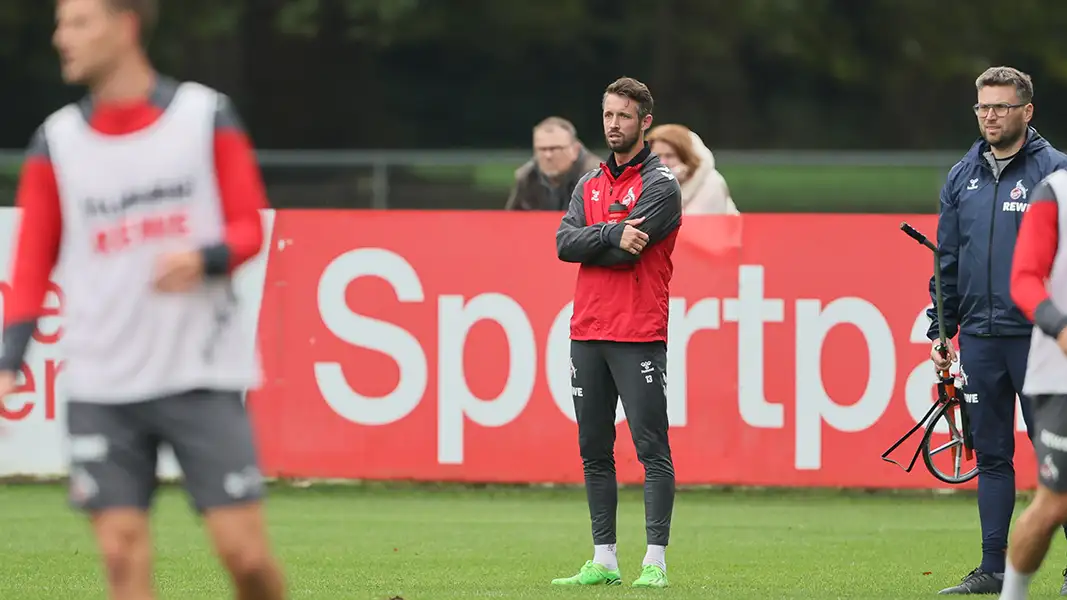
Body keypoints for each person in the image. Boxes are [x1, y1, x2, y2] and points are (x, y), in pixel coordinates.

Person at [0, 0, 287, 598]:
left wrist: (202, 258)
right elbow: (31, 264)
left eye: (79, 22)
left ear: (125, 26)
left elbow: (247, 228)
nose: (61, 37)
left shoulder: (205, 116)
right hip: (103, 383)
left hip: (199, 372)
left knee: (246, 555)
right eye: (60, 23)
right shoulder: (56, 142)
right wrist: (9, 361)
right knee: (121, 553)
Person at [926, 65, 1067, 596]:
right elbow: (947, 262)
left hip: (1041, 340)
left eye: (1002, 106)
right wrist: (941, 332)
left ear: (1027, 112)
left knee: (1060, 458)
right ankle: (992, 568)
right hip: (980, 339)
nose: (990, 115)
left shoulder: (1057, 174)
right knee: (990, 454)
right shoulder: (963, 174)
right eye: (983, 106)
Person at [551, 76, 682, 589]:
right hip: (588, 330)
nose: (613, 124)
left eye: (624, 116)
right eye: (608, 115)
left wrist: (597, 241)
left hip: (638, 331)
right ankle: (603, 558)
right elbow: (565, 243)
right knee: (594, 448)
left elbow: (634, 253)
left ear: (645, 122)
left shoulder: (660, 183)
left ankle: (656, 560)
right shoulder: (588, 184)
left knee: (652, 447)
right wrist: (607, 232)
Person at [1001, 170, 1067, 599]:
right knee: (1056, 503)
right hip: (1061, 379)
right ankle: (1014, 594)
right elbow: (1024, 277)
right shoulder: (1057, 192)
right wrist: (1060, 328)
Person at [504, 116, 601, 211]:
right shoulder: (527, 177)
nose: (548, 155)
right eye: (541, 149)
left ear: (575, 150)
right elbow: (511, 220)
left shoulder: (597, 177)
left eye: (555, 149)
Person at [646, 124, 738, 215]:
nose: (663, 162)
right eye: (657, 156)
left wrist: (672, 183)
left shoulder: (712, 182)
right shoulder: (646, 181)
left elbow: (695, 224)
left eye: (669, 156)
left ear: (686, 157)